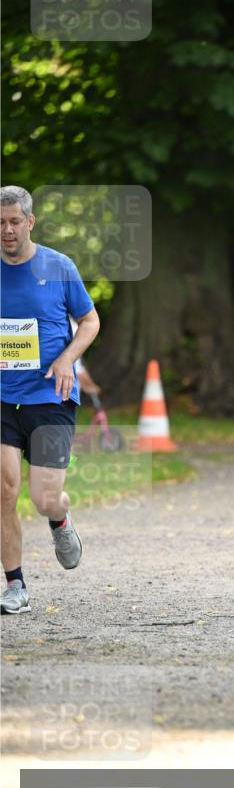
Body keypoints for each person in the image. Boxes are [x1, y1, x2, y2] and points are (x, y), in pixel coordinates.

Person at [1, 185, 100, 614]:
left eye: (14, 222)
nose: (7, 230)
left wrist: (66, 360)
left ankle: (59, 518)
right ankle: (15, 585)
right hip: (3, 397)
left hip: (50, 395)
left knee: (44, 497)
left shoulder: (59, 266)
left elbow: (90, 321)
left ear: (30, 222)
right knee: (4, 490)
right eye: (0, 223)